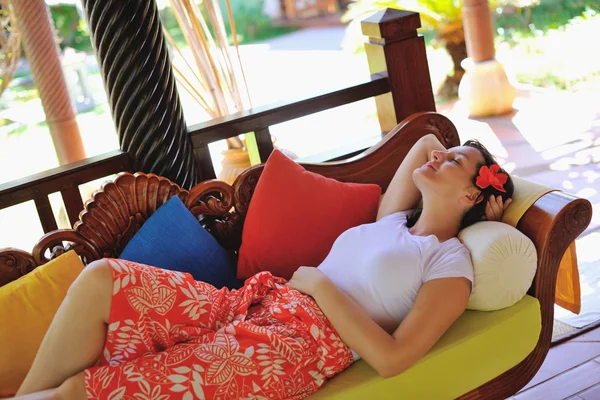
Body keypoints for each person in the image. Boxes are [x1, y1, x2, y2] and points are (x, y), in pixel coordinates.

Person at [14, 134, 513, 400]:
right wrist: (451, 155)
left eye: (454, 161)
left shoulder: (450, 262)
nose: (438, 156)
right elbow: (426, 138)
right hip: (256, 302)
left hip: (294, 349)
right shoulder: (393, 221)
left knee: (85, 390)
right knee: (102, 277)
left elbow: (393, 359)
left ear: (472, 193)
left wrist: (318, 283)